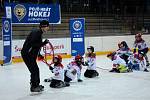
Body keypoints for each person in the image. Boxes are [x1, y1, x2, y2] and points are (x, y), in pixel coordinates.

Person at [21, 20, 50, 92]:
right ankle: (34, 86)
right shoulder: (37, 32)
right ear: (43, 26)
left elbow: (36, 45)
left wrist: (39, 54)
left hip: (30, 54)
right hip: (28, 54)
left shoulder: (38, 32)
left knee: (35, 70)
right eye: (47, 27)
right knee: (34, 70)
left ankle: (35, 84)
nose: (48, 28)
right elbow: (33, 44)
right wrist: (44, 43)